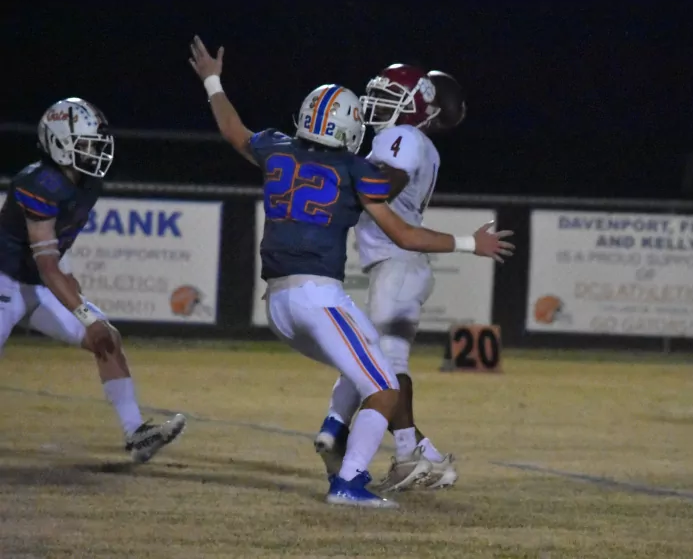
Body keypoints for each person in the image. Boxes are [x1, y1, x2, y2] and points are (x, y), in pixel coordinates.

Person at [188, 36, 513, 508]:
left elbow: (234, 131)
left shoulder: (277, 149)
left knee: (369, 362)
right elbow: (404, 232)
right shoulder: (355, 170)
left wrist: (213, 81)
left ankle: (342, 432)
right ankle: (351, 479)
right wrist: (468, 243)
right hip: (319, 297)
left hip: (276, 301)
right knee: (383, 385)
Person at [0, 97, 187, 463]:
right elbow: (47, 264)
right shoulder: (38, 183)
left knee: (107, 339)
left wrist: (75, 294)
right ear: (59, 142)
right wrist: (84, 313)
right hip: (4, 281)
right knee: (96, 326)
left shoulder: (86, 183)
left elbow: (56, 254)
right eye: (86, 144)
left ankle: (136, 433)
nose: (95, 152)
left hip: (35, 286)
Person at [314, 64, 470, 492]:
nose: (377, 105)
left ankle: (404, 453)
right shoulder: (410, 140)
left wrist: (335, 174)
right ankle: (422, 454)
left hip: (399, 263)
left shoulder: (403, 136)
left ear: (419, 105)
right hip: (399, 264)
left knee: (385, 365)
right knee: (367, 357)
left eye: (389, 98)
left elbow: (385, 185)